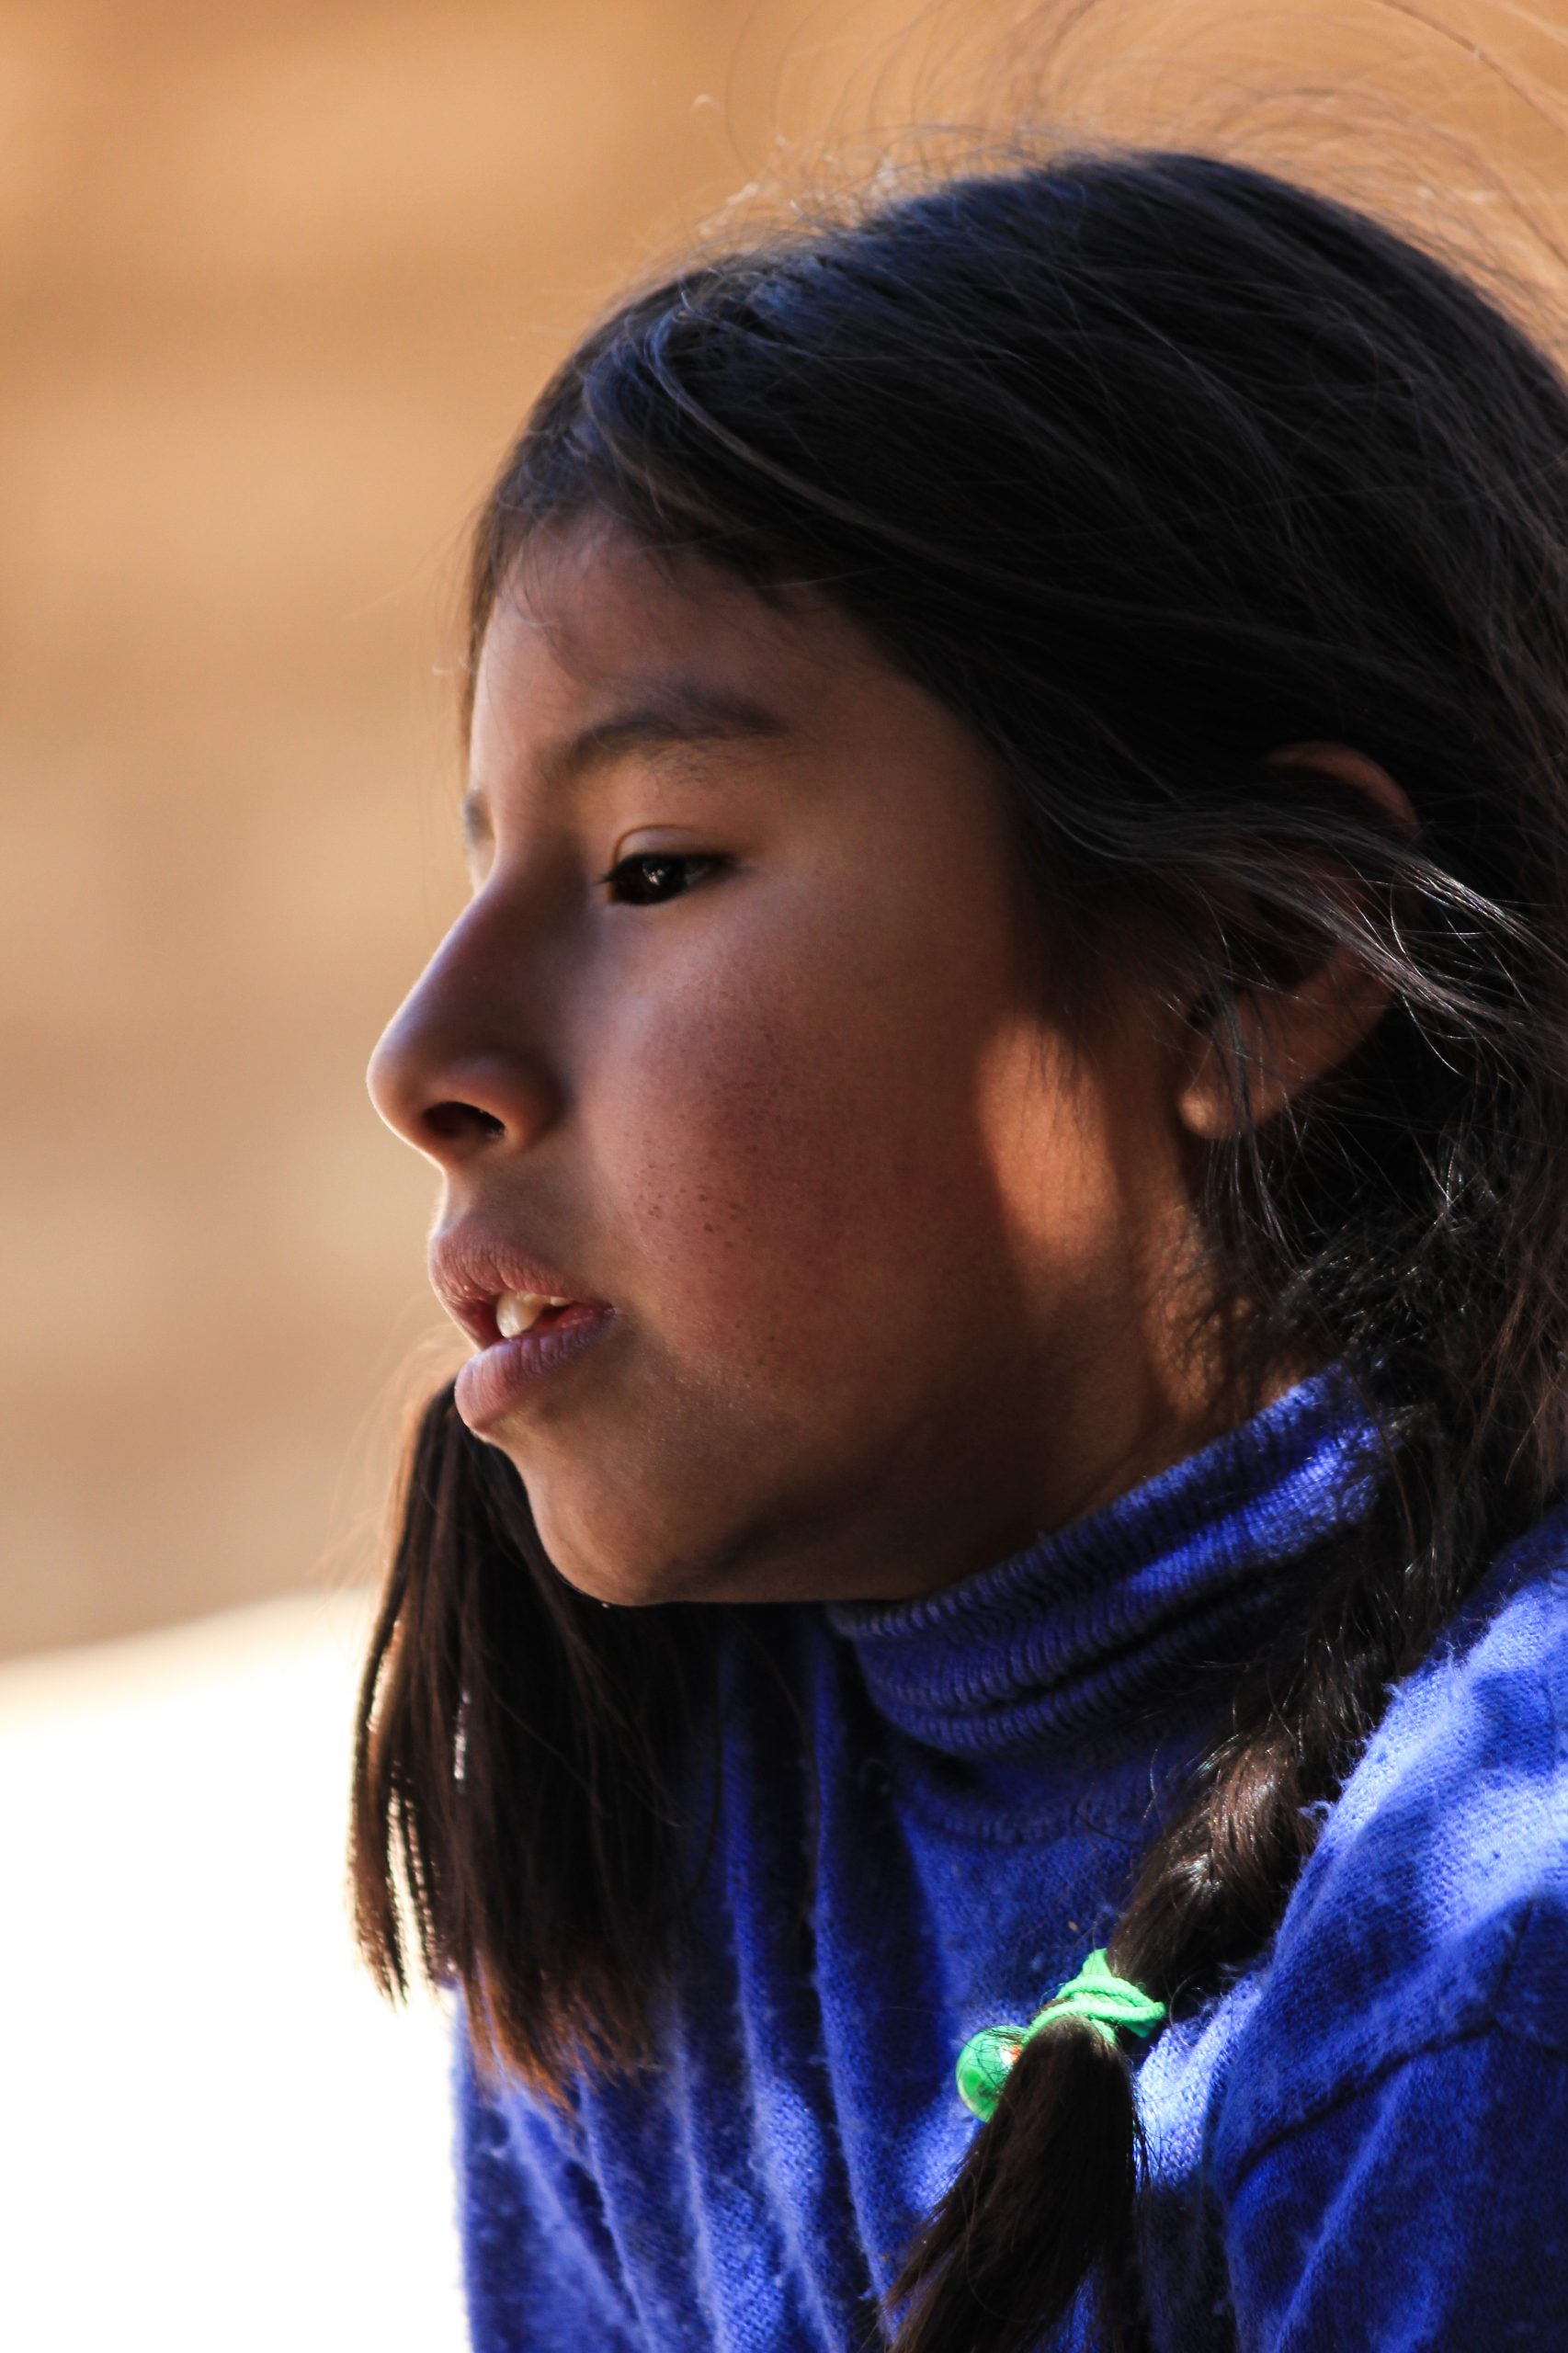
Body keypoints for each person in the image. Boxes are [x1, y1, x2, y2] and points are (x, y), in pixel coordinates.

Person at [354, 143, 1568, 2351]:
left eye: (651, 867)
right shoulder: (646, 1808)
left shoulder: (1491, 1969)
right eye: (479, 865)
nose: (424, 1058)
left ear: (1254, 953)